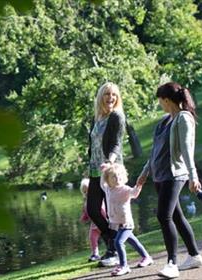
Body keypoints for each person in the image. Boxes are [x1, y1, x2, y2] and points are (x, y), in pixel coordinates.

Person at [136, 82, 202, 278]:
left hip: (175, 174)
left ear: (166, 100)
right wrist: (144, 173)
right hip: (159, 175)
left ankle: (172, 263)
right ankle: (194, 256)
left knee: (163, 216)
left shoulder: (183, 118)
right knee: (176, 216)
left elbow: (186, 148)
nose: (160, 105)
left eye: (160, 101)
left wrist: (193, 175)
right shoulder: (164, 121)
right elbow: (155, 151)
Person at [87, 82, 126, 266]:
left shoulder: (117, 116)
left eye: (113, 95)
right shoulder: (96, 118)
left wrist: (110, 161)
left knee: (113, 212)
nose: (110, 98)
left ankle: (113, 250)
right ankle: (112, 239)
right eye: (106, 94)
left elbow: (117, 143)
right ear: (100, 97)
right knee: (93, 209)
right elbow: (92, 144)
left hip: (110, 171)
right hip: (95, 170)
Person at [100, 163, 153, 276]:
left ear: (124, 177)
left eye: (119, 175)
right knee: (133, 241)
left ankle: (124, 266)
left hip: (126, 223)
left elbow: (134, 193)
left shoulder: (125, 189)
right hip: (116, 223)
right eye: (113, 176)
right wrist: (103, 171)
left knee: (118, 242)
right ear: (108, 180)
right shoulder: (108, 189)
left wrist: (139, 185)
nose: (117, 178)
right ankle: (146, 257)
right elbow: (102, 183)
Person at [80, 178, 106, 262]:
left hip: (102, 222)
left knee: (107, 237)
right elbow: (86, 210)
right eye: (84, 191)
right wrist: (84, 217)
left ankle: (111, 250)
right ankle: (95, 253)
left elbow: (102, 209)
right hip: (94, 223)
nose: (86, 193)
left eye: (88, 191)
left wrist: (105, 217)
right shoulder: (86, 201)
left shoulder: (97, 199)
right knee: (92, 238)